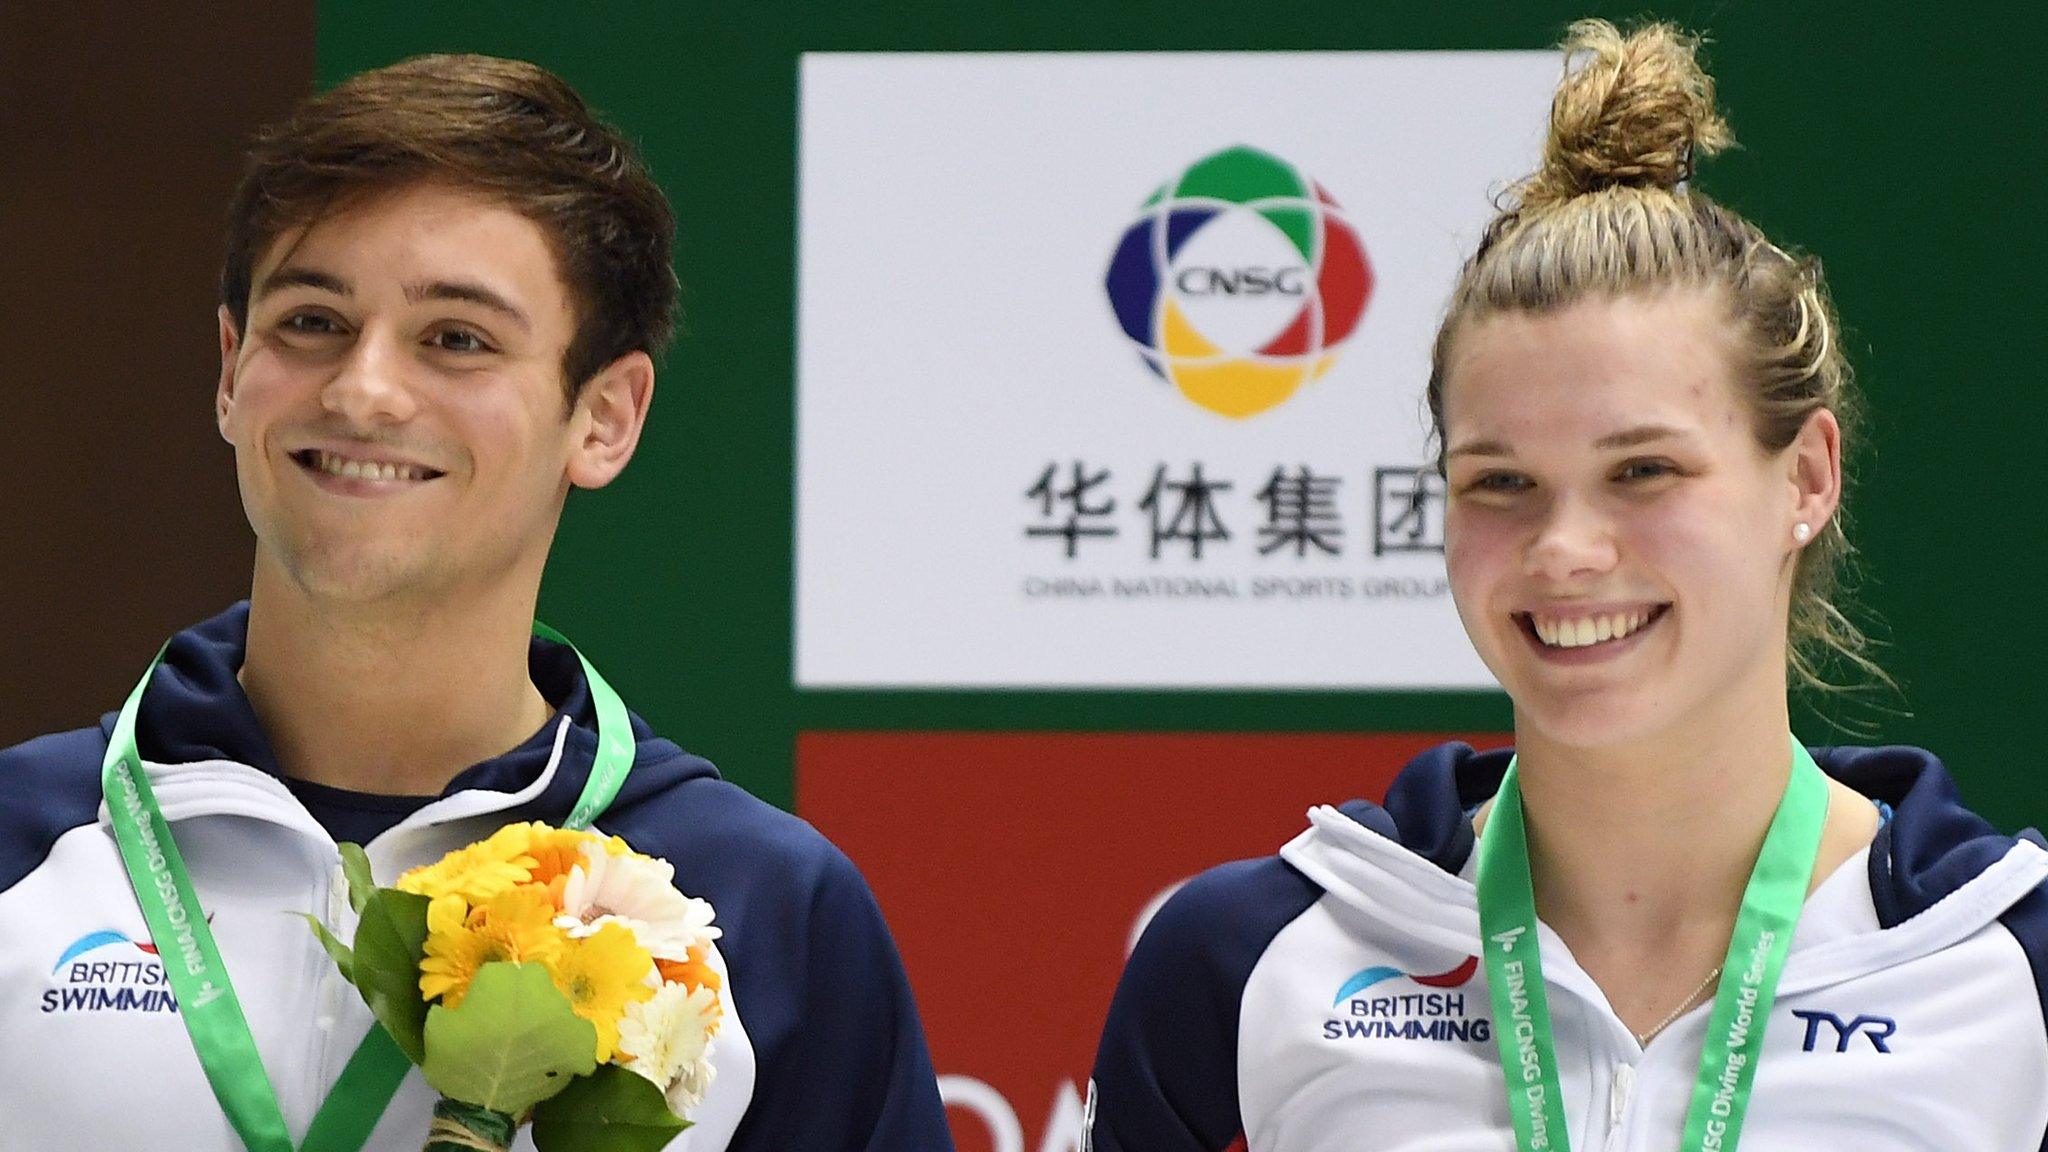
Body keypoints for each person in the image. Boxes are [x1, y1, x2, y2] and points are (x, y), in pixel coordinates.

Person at [1085, 20, 2048, 1152]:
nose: (1561, 550)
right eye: (1499, 483)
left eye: (1641, 471)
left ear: (1805, 477)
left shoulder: (2005, 967)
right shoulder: (1247, 964)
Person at [0, 54, 952, 1151]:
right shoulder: (22, 846)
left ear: (604, 418)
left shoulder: (765, 911)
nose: (362, 389)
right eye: (311, 321)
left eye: (457, 339)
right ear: (229, 371)